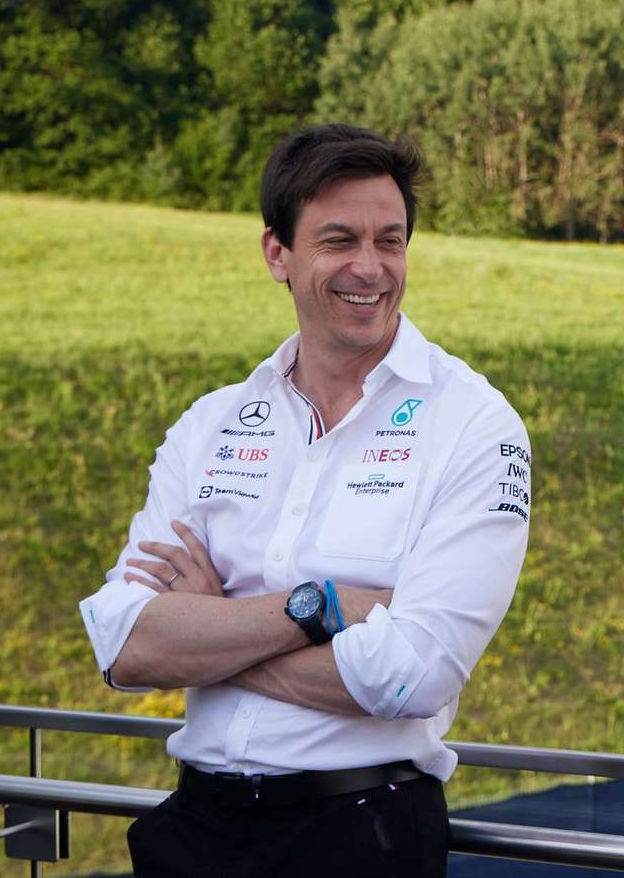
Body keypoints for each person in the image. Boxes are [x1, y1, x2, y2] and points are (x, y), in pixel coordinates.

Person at [78, 124, 532, 877]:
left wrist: (212, 630)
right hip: (193, 831)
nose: (370, 267)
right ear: (277, 254)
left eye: (390, 241)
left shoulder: (475, 426)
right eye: (339, 240)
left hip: (360, 835)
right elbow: (125, 643)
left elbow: (414, 674)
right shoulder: (212, 422)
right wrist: (322, 608)